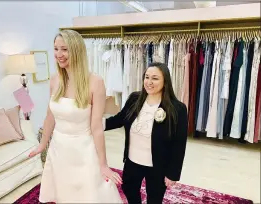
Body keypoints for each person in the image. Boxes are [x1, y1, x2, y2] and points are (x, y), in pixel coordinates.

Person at [29, 29, 123, 203]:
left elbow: (96, 128)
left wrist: (103, 164)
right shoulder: (55, 79)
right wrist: (42, 146)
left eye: (64, 49)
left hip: (83, 150)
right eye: (56, 49)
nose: (59, 54)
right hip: (59, 148)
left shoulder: (95, 82)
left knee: (87, 195)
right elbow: (50, 116)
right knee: (64, 193)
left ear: (76, 50)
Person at [104, 62, 188, 204]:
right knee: (128, 188)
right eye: (147, 77)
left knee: (154, 198)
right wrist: (96, 125)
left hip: (158, 165)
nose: (149, 82)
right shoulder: (134, 99)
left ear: (165, 81)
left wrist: (173, 173)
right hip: (133, 160)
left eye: (155, 78)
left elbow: (179, 144)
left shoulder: (177, 108)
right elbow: (120, 119)